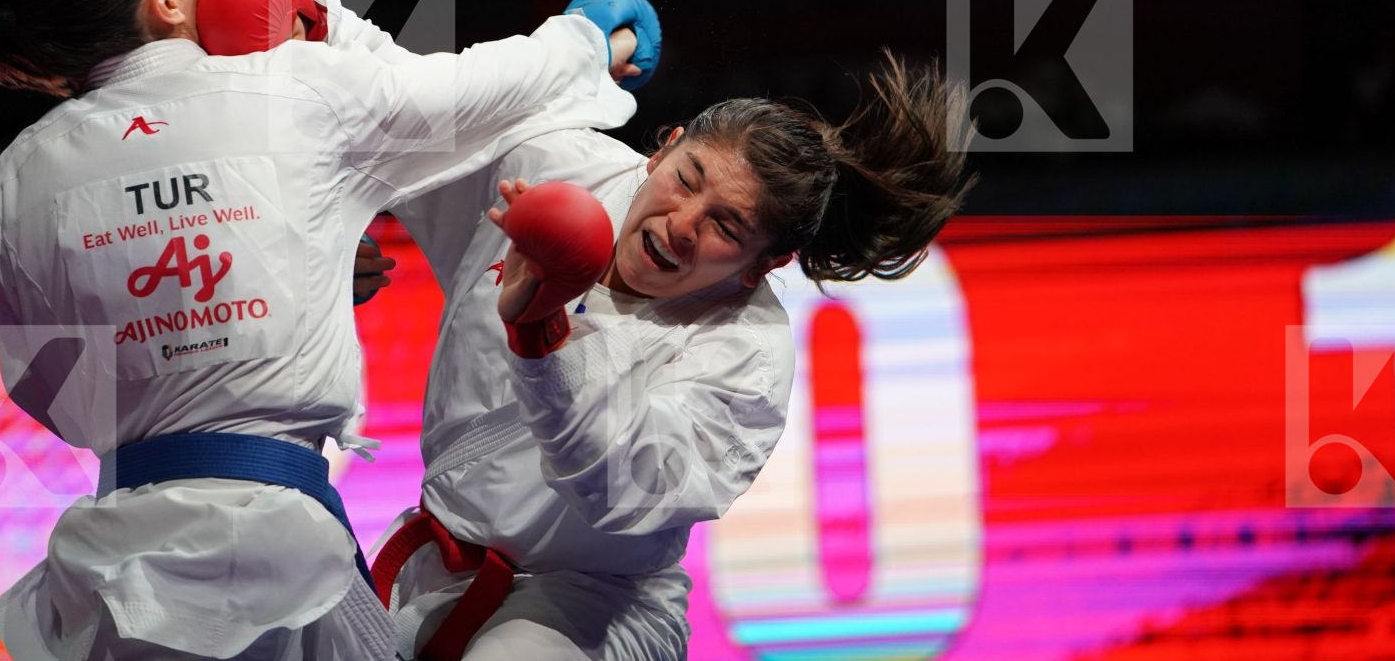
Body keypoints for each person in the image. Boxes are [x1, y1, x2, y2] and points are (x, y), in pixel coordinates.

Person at [0, 0, 656, 661]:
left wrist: (276, 282)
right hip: (269, 557)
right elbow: (489, 89)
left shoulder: (15, 178)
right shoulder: (291, 86)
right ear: (163, 5)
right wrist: (593, 33)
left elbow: (55, 394)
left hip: (115, 569)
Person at [368, 53, 974, 660]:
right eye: (687, 179)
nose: (683, 224)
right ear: (663, 149)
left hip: (598, 604)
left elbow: (623, 492)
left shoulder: (745, 355)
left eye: (727, 228)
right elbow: (374, 123)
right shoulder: (556, 167)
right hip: (431, 563)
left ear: (763, 266)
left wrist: (543, 341)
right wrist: (325, 246)